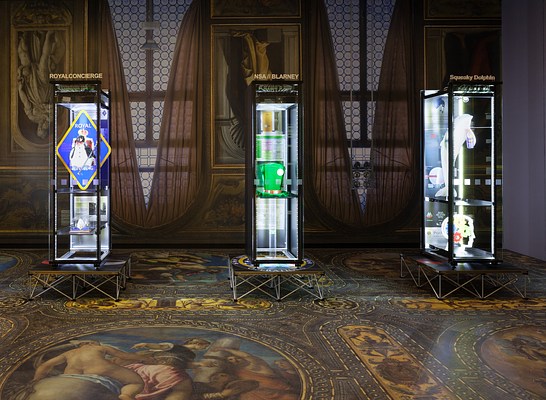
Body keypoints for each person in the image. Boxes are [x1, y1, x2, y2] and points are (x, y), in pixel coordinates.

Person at [32, 340, 148, 400]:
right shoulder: (99, 348)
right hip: (99, 369)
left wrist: (36, 380)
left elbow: (45, 366)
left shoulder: (69, 353)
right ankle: (126, 395)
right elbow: (125, 356)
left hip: (70, 375)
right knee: (136, 381)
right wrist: (145, 358)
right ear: (92, 343)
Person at [435, 113, 476, 198]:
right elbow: (471, 145)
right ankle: (448, 188)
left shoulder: (464, 128)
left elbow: (471, 144)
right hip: (446, 147)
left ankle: (448, 188)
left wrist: (469, 132)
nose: (472, 126)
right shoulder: (462, 125)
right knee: (446, 166)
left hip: (449, 148)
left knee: (447, 166)